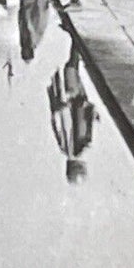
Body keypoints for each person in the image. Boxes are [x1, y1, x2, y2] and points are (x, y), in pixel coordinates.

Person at [48, 49, 99, 183]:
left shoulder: (76, 149)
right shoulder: (68, 149)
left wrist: (86, 110)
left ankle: (75, 38)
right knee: (71, 68)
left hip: (74, 102)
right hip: (73, 103)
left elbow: (80, 127)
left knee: (71, 69)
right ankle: (74, 39)